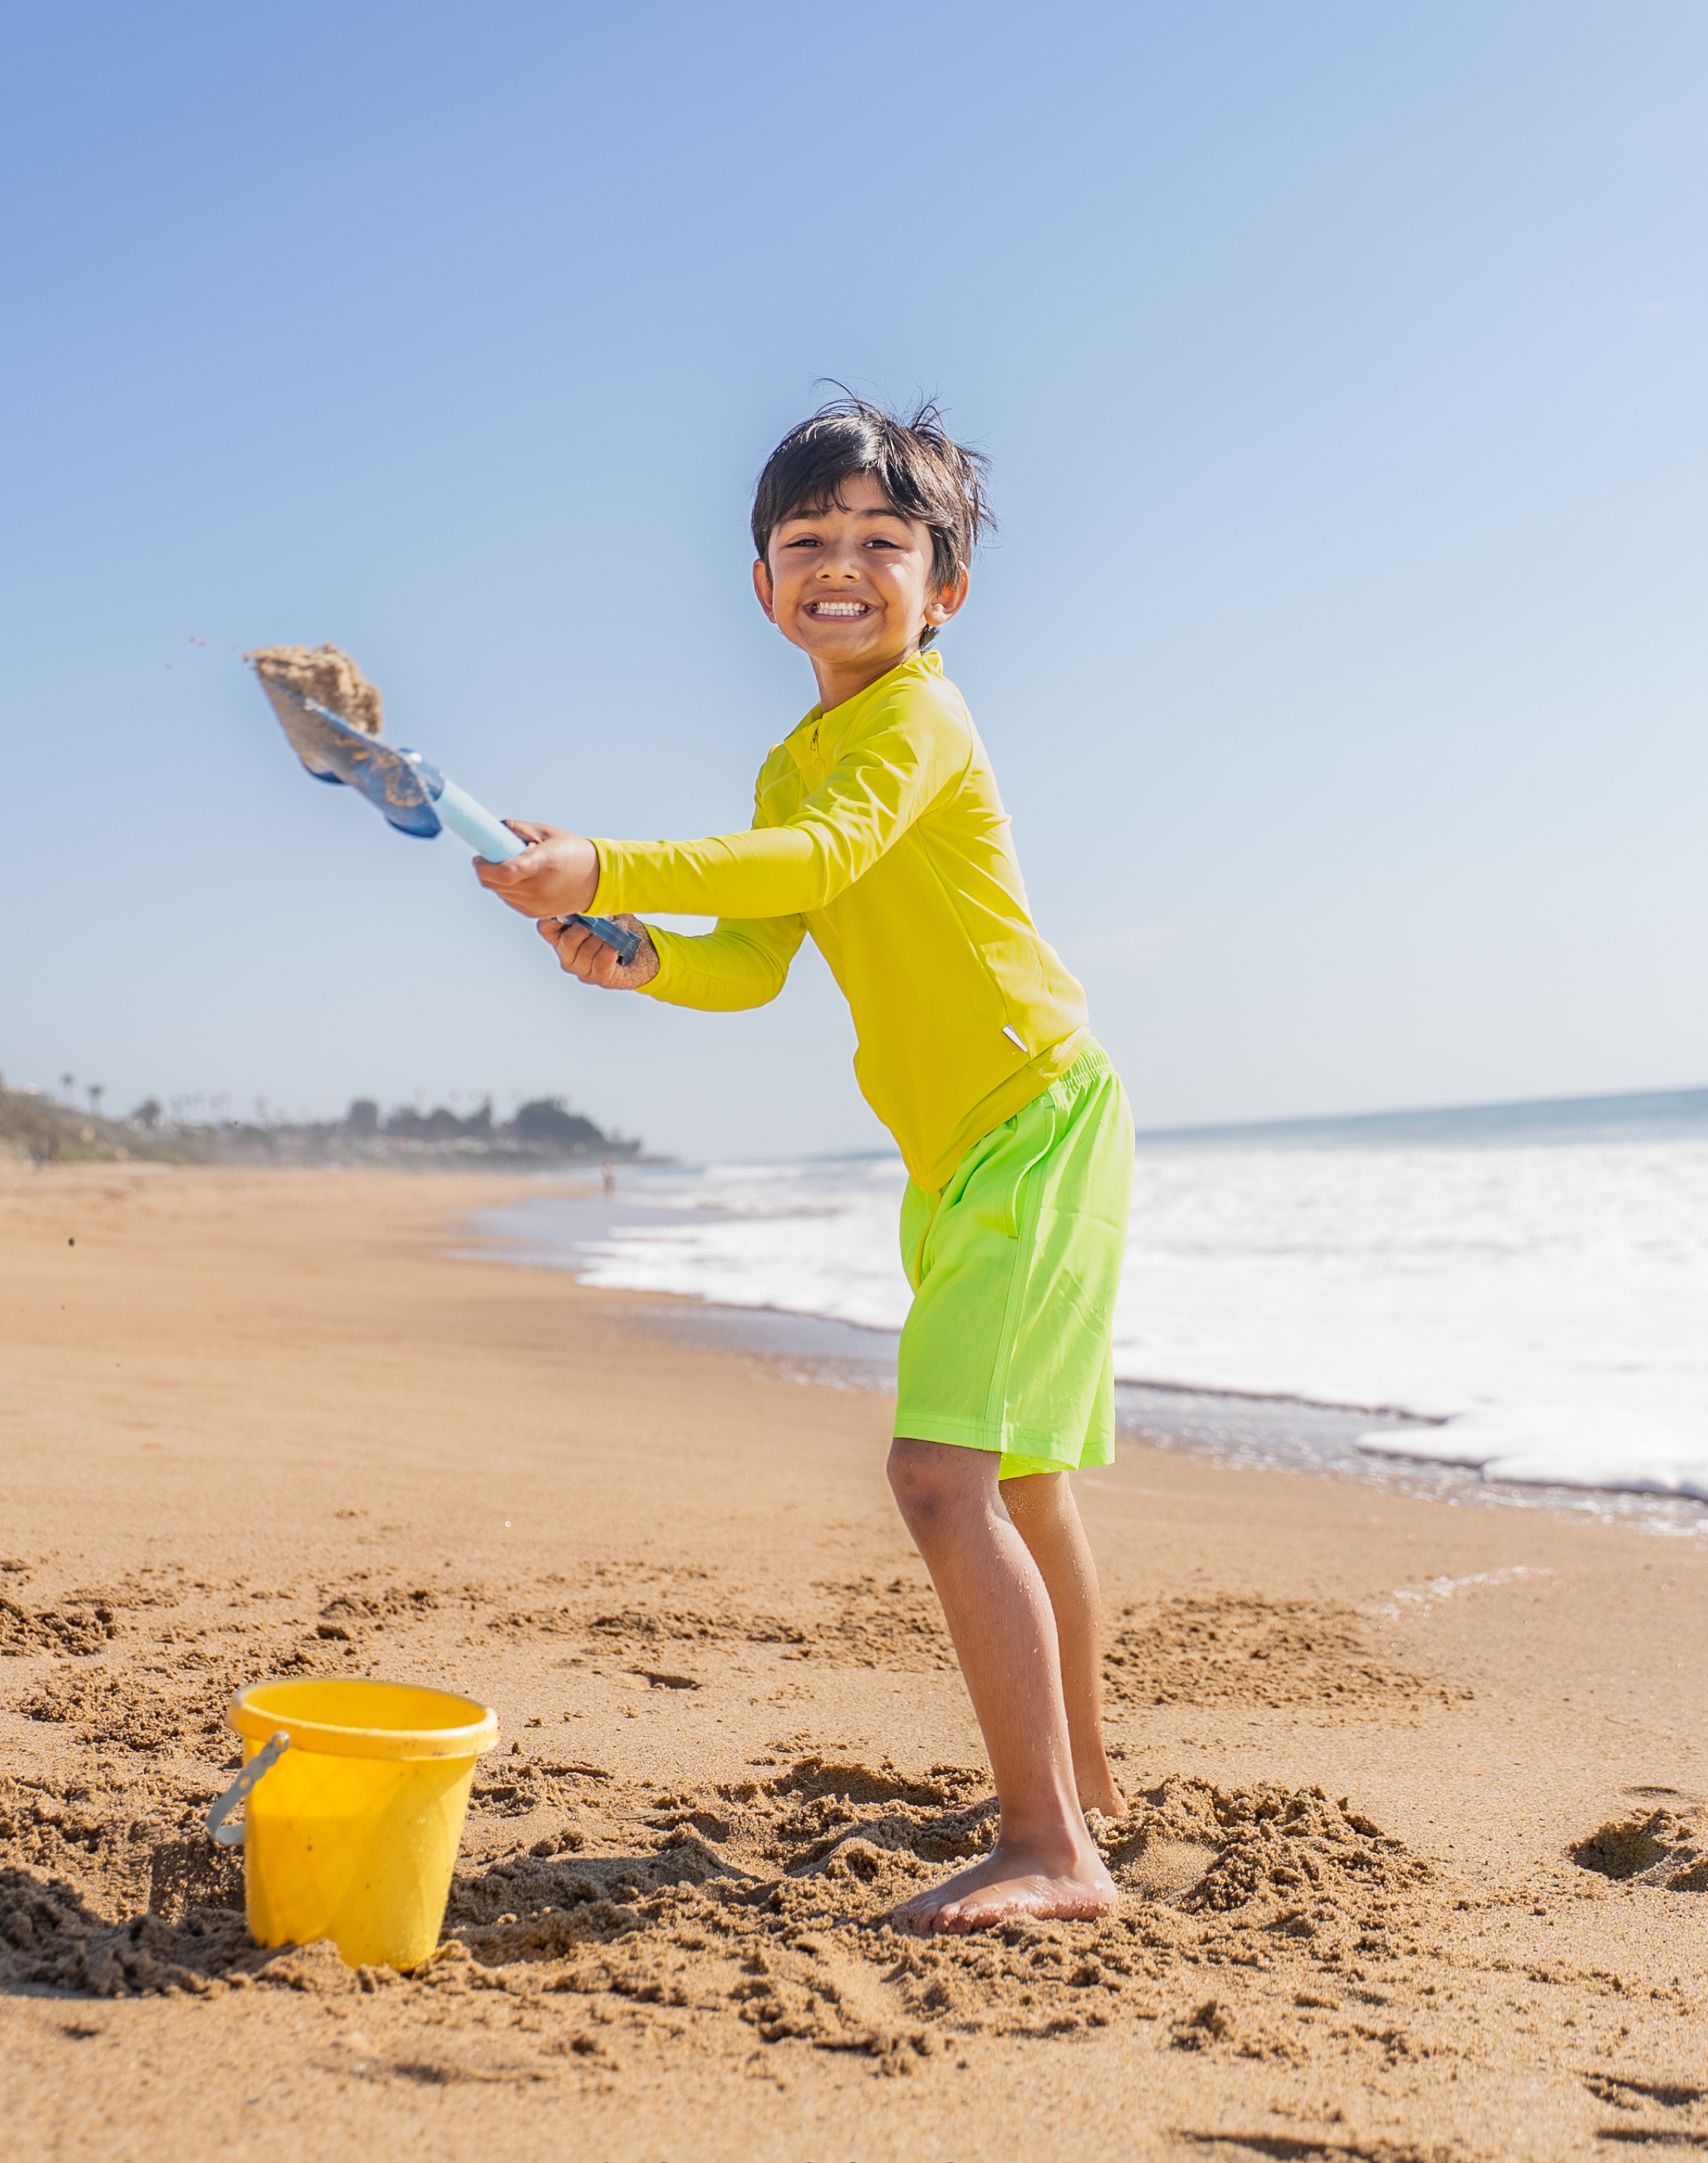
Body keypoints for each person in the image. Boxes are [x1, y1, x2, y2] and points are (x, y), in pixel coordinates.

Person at [473, 397, 1132, 1934]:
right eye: (806, 541)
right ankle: (1087, 1792)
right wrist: (635, 952)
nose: (842, 565)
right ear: (762, 585)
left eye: (882, 542)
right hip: (958, 1151)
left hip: (1038, 1124)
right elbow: (762, 956)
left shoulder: (920, 720)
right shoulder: (799, 760)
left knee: (939, 1478)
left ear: (944, 586)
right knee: (1022, 1481)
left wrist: (612, 860)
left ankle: (1052, 1851)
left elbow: (827, 861)